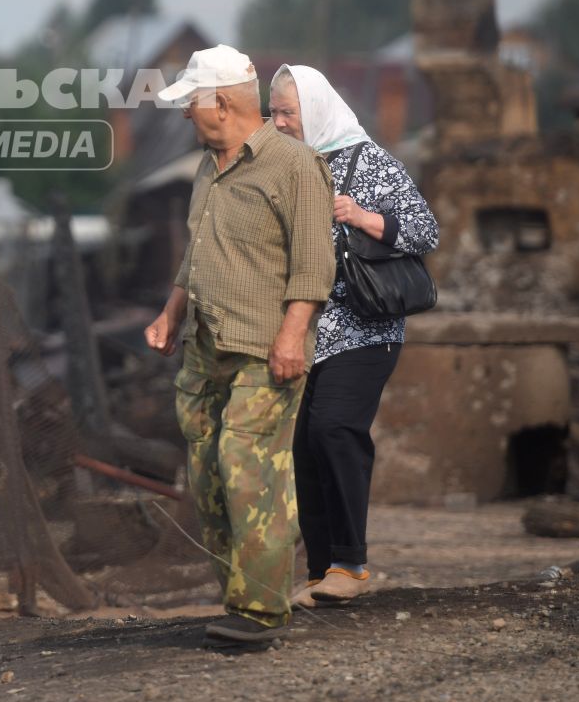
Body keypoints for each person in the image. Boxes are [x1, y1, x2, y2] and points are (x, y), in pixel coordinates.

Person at [144, 45, 336, 647]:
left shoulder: (294, 165)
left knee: (248, 467)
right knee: (207, 473)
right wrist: (171, 312)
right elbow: (198, 252)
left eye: (191, 104)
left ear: (222, 104)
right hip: (206, 344)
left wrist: (291, 336)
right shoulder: (209, 164)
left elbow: (314, 263)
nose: (184, 116)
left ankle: (261, 609)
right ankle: (237, 595)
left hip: (264, 347)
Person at [269, 64, 438, 606]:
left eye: (287, 112)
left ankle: (351, 563)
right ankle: (322, 573)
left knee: (335, 431)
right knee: (304, 448)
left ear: (314, 110)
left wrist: (363, 217)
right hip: (309, 332)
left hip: (366, 329)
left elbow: (424, 229)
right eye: (272, 112)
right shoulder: (292, 165)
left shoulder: (368, 161)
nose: (278, 122)